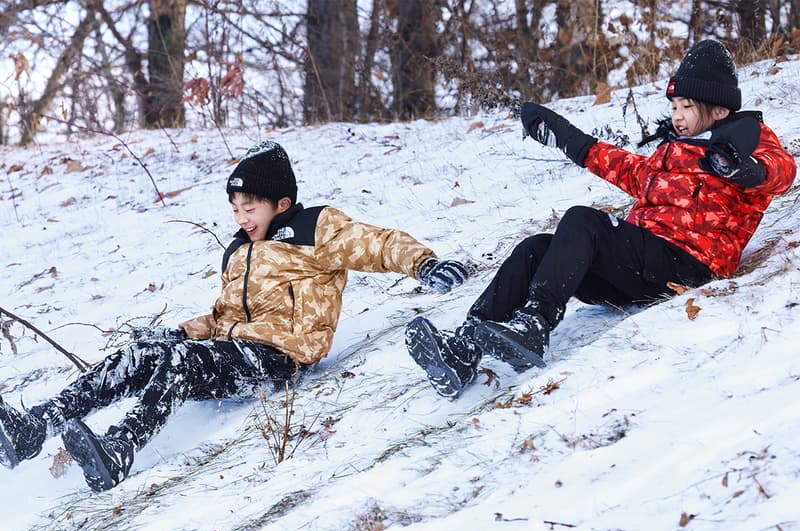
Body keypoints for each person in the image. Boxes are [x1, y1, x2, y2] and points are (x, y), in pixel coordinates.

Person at [0, 141, 469, 491]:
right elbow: (222, 314)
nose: (241, 217)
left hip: (280, 355)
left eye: (250, 207)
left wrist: (424, 263)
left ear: (281, 204)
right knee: (146, 353)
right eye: (235, 209)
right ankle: (34, 427)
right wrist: (176, 332)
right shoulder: (239, 251)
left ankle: (121, 448)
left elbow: (377, 243)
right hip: (233, 348)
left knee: (181, 364)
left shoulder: (313, 229)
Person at [405, 39, 797, 399]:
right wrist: (564, 136)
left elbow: (782, 172)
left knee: (583, 220)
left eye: (687, 107)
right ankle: (465, 347)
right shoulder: (673, 151)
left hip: (687, 265)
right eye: (674, 106)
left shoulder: (748, 142)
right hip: (637, 268)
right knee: (535, 249)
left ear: (719, 110)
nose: (677, 116)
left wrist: (745, 170)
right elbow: (625, 169)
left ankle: (535, 326)